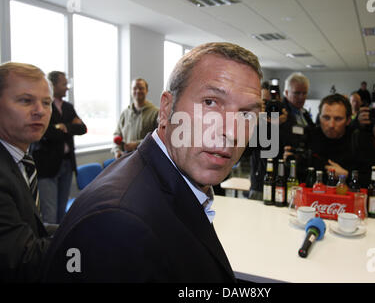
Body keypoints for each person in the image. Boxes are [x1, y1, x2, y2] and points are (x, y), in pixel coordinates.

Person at [42, 42, 263, 282]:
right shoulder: (118, 222)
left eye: (246, 115)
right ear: (167, 109)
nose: (232, 131)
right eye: (210, 102)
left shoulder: (169, 181)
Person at [0, 62, 53, 282]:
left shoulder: (21, 159)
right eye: (25, 100)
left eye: (46, 102)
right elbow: (23, 260)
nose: (40, 111)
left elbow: (32, 227)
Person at [285, 94, 375, 187]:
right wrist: (291, 163)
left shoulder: (360, 139)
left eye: (338, 119)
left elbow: (373, 180)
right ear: (319, 117)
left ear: (348, 120)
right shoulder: (308, 137)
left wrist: (346, 175)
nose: (331, 125)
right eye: (326, 118)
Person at [32, 71, 87, 225]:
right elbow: (46, 133)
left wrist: (63, 127)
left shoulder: (68, 107)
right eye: (64, 84)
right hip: (47, 166)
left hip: (67, 164)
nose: (67, 88)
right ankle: (50, 248)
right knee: (49, 215)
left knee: (62, 213)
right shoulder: (43, 105)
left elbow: (83, 129)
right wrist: (70, 128)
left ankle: (61, 246)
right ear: (53, 85)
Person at [112, 78, 159, 159]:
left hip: (147, 161)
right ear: (131, 91)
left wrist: (137, 144)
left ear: (146, 90)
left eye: (141, 88)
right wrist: (117, 151)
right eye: (134, 88)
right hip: (127, 160)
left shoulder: (156, 113)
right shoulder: (125, 113)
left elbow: (159, 138)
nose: (137, 91)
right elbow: (117, 134)